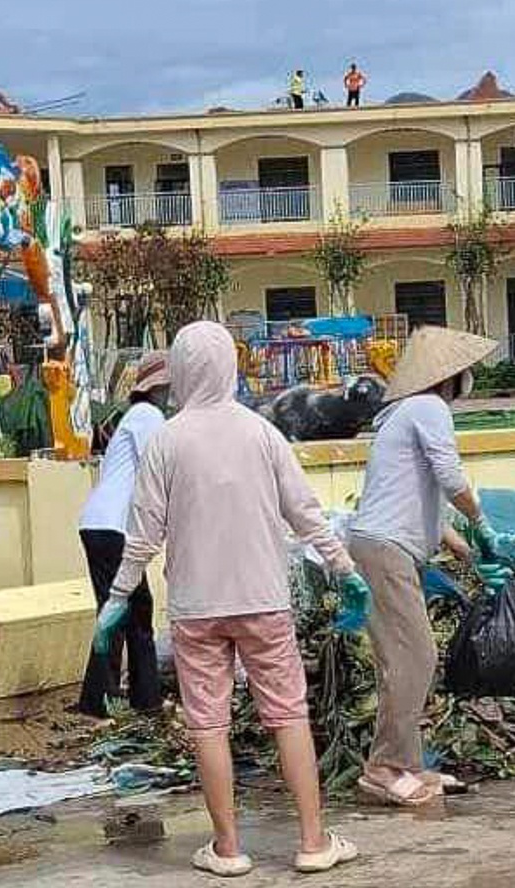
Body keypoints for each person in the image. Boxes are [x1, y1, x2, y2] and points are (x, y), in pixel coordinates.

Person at [97, 321, 367, 877]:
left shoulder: (166, 440)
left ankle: (227, 849)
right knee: (289, 715)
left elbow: (143, 533)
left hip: (198, 609)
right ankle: (314, 842)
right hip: (263, 599)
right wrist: (345, 570)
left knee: (209, 725)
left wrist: (116, 599)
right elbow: (305, 513)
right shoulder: (262, 433)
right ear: (230, 365)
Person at [347, 326, 502, 807]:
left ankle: (405, 765)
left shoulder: (404, 414)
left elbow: (425, 502)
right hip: (385, 547)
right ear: (449, 377)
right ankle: (382, 768)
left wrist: (468, 552)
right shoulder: (427, 408)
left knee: (404, 659)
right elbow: (449, 475)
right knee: (416, 657)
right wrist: (481, 520)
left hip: (383, 545)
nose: (469, 379)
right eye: (464, 373)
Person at [72, 352, 171, 720]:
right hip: (110, 527)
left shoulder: (138, 416)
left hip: (104, 525)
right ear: (158, 387)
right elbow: (158, 470)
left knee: (129, 611)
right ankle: (108, 700)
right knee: (124, 612)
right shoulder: (148, 417)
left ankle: (134, 698)